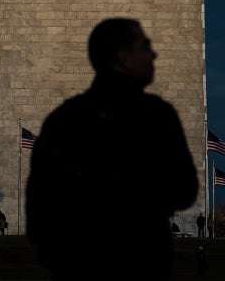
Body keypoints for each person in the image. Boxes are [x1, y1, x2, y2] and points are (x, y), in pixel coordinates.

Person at [26, 18, 199, 280]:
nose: (153, 54)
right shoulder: (157, 117)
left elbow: (39, 209)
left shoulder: (63, 119)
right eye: (144, 46)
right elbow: (184, 189)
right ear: (122, 58)